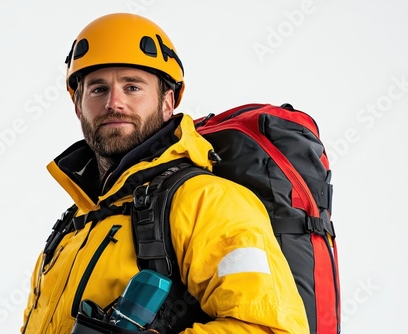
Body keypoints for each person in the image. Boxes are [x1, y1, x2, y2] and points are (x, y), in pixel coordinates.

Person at [21, 13, 310, 334]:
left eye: (132, 87)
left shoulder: (207, 202)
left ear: (167, 101)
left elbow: (269, 328)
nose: (114, 103)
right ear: (78, 105)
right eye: (98, 89)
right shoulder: (76, 223)